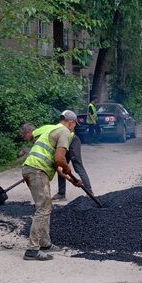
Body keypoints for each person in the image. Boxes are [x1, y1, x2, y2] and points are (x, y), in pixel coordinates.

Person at [21, 110, 82, 261]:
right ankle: (32, 250)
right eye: (74, 124)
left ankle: (45, 244)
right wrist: (68, 168)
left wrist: (72, 180)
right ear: (70, 122)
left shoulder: (51, 129)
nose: (74, 127)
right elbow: (60, 160)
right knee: (43, 208)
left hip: (32, 169)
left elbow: (56, 166)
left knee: (44, 207)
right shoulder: (65, 132)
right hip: (37, 171)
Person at [20, 119, 93, 201]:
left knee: (78, 166)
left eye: (24, 136)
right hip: (63, 142)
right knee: (60, 165)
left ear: (28, 132)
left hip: (72, 141)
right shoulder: (40, 131)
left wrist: (33, 172)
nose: (24, 139)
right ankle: (61, 194)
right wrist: (32, 173)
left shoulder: (38, 135)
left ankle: (89, 192)